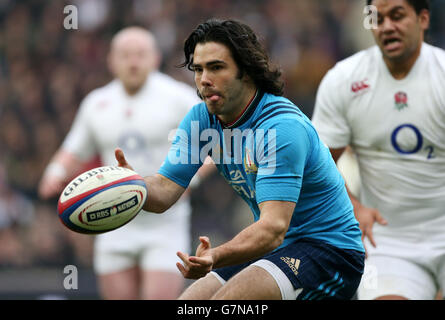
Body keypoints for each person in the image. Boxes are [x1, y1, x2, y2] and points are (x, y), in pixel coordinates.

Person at [114, 18, 365, 300]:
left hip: (329, 253)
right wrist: (131, 186)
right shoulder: (201, 120)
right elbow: (164, 191)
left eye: (216, 67)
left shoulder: (280, 128)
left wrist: (216, 256)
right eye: (198, 69)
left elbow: (272, 229)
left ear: (245, 71)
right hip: (275, 250)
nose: (203, 79)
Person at [38, 27, 201, 299]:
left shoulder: (180, 98)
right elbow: (73, 149)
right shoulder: (96, 103)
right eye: (125, 55)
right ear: (111, 61)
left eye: (140, 54)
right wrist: (54, 172)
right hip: (112, 221)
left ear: (155, 58)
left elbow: (208, 149)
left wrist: (185, 180)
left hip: (165, 223)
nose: (133, 61)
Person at [311, 0, 445, 300]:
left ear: (423, 19)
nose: (386, 26)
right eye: (377, 18)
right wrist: (354, 207)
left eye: (397, 16)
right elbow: (317, 163)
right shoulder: (344, 79)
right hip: (385, 241)